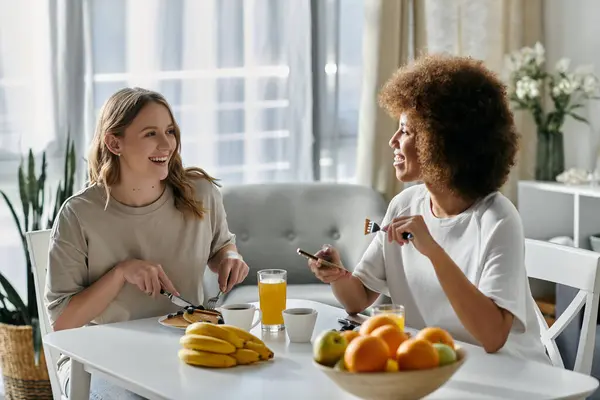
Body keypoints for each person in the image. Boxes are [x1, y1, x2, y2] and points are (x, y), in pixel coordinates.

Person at [308, 54, 551, 365]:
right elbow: (357, 300)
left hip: (510, 375)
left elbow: (492, 338)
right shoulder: (404, 205)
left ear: (443, 141)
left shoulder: (497, 219)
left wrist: (433, 250)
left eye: (406, 131)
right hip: (439, 370)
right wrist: (336, 275)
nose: (394, 141)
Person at [45, 87, 249, 398]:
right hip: (100, 360)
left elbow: (222, 246)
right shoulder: (79, 214)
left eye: (170, 131)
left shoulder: (201, 193)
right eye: (151, 133)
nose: (167, 144)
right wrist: (120, 274)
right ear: (115, 142)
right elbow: (63, 324)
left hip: (185, 349)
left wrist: (229, 258)